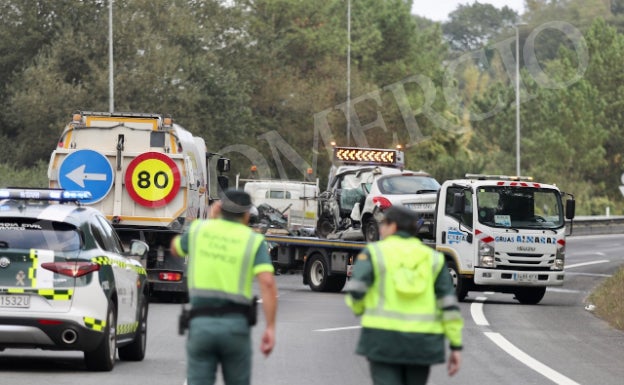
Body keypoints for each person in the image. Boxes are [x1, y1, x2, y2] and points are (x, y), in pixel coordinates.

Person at [344, 205, 463, 385]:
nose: (381, 228)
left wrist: (360, 310)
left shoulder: (375, 253)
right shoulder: (434, 259)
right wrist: (455, 345)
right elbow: (448, 305)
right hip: (422, 343)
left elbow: (356, 291)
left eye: (383, 223)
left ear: (393, 227)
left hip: (382, 340)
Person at [170, 188, 278, 385]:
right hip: (236, 328)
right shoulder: (254, 241)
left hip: (200, 324)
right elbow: (268, 283)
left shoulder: (198, 231)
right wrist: (270, 328)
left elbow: (175, 249)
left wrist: (210, 221)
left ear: (219, 208)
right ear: (247, 215)